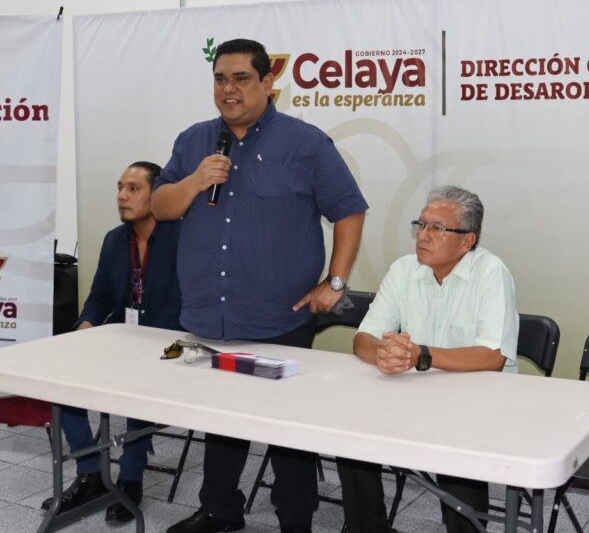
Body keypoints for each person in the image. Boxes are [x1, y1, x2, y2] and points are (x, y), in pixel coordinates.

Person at [152, 38, 368, 533]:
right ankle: (220, 511)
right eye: (220, 79)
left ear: (268, 83)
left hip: (279, 318)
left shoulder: (305, 143)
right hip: (210, 315)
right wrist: (195, 180)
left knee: (286, 430)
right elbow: (161, 207)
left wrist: (335, 282)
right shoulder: (193, 141)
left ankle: (295, 521)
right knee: (220, 421)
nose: (228, 89)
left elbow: (349, 210)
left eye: (241, 78)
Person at [336, 186, 518, 533]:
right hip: (415, 396)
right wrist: (384, 353)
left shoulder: (491, 274)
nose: (423, 235)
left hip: (477, 404)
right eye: (421, 225)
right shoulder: (403, 270)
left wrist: (421, 355)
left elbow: (493, 356)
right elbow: (363, 338)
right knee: (351, 433)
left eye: (437, 228)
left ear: (467, 242)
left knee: (457, 448)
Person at [40, 161, 182, 525]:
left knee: (139, 383)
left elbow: (183, 305)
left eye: (133, 188)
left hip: (172, 343)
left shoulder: (182, 238)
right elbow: (100, 296)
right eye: (120, 187)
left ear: (158, 194)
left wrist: (139, 345)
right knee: (61, 381)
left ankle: (130, 480)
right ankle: (90, 472)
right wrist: (87, 324)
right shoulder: (114, 240)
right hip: (123, 337)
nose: (122, 196)